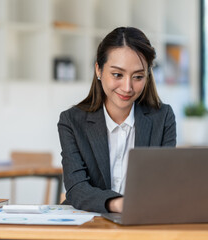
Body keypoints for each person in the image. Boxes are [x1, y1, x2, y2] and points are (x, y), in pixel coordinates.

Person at [57, 27, 176, 213]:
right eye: (117, 75)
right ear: (98, 69)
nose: (127, 87)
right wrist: (119, 204)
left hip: (142, 223)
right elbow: (76, 188)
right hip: (89, 222)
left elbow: (166, 183)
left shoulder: (163, 118)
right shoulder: (72, 121)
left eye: (138, 76)